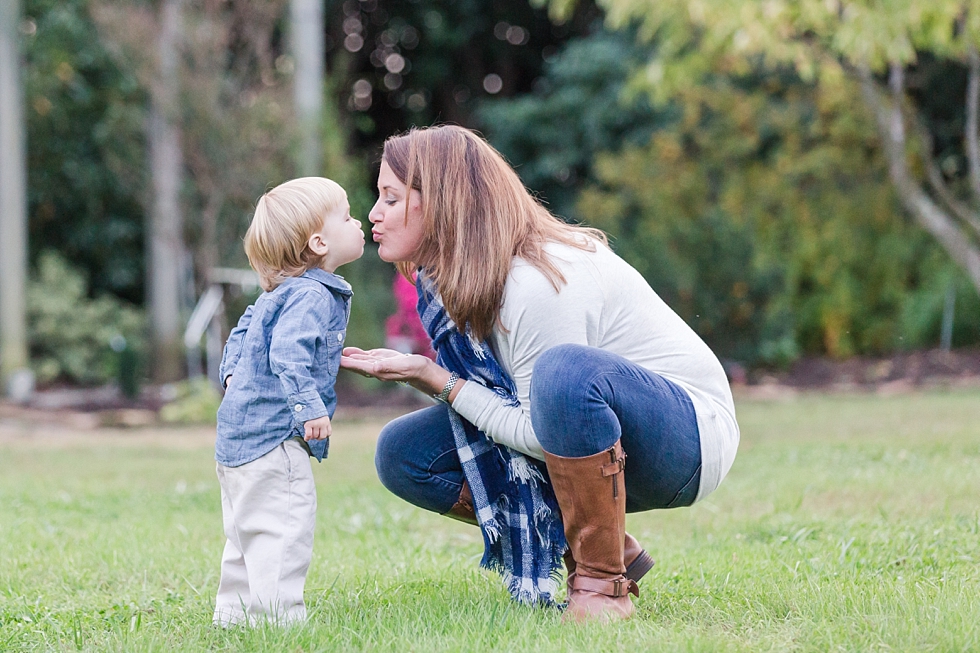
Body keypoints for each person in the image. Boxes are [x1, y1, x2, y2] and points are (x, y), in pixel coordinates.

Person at [341, 125, 739, 622]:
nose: (374, 213)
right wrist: (428, 372)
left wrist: (437, 379)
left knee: (564, 371)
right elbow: (514, 409)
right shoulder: (453, 284)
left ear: (443, 203)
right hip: (598, 434)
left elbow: (536, 427)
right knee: (404, 454)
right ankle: (597, 535)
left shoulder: (537, 278)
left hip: (688, 441)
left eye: (391, 197)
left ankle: (601, 587)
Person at [213, 177, 365, 626]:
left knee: (244, 532)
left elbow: (240, 338)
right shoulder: (314, 294)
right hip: (276, 439)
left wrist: (234, 377)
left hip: (238, 436)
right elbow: (286, 354)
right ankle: (281, 620)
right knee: (284, 528)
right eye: (348, 216)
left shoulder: (276, 293)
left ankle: (235, 618)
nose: (359, 222)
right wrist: (310, 408)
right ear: (319, 241)